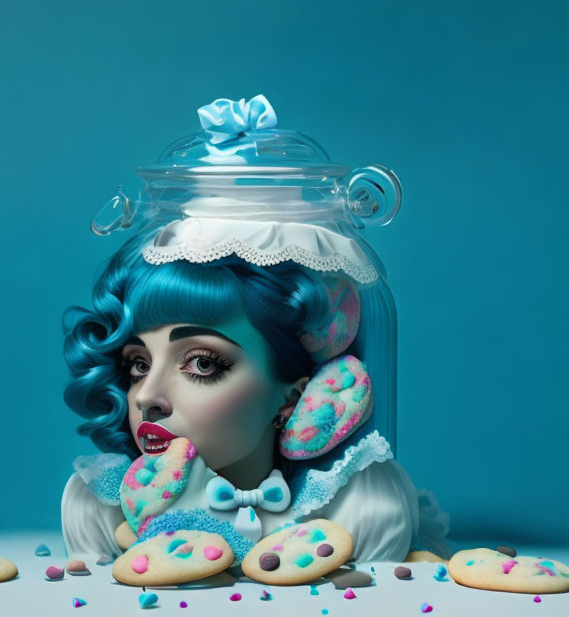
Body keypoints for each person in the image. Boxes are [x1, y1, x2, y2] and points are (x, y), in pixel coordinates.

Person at [60, 226, 450, 566]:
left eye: (202, 364)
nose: (147, 395)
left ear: (293, 398)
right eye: (139, 364)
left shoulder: (356, 509)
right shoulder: (99, 509)